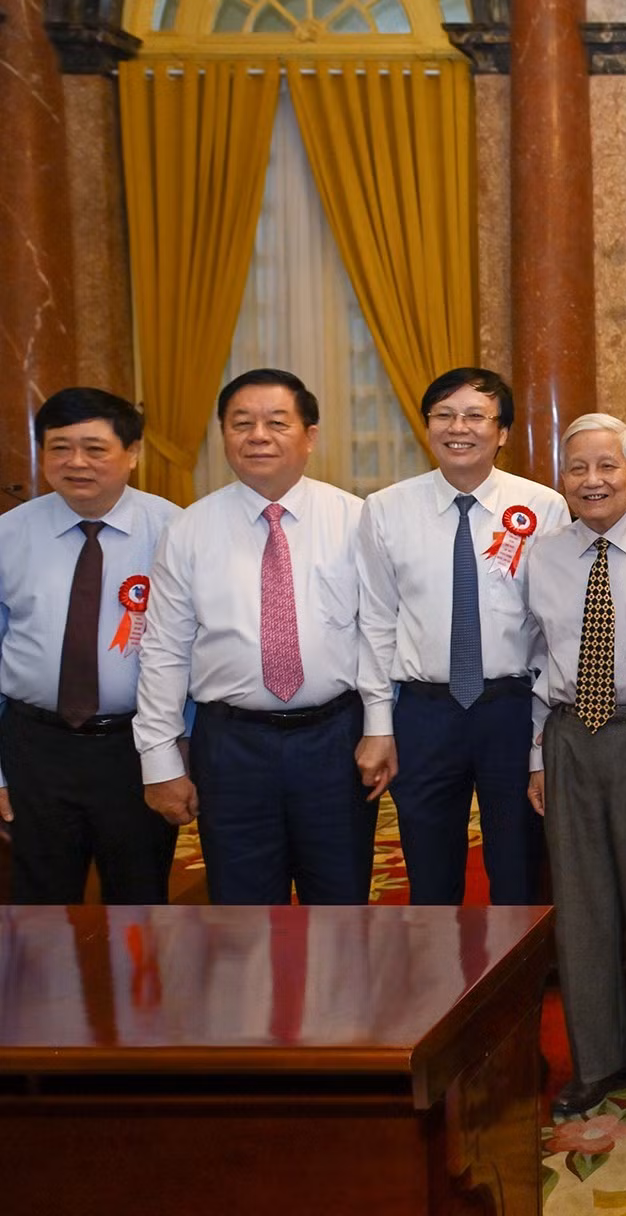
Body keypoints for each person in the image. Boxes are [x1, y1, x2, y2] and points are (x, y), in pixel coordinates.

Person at [134, 369, 374, 904]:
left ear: (310, 436)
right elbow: (164, 651)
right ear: (223, 435)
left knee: (341, 899)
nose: (257, 435)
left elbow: (378, 636)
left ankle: (342, 992)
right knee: (242, 911)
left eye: (276, 422)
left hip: (334, 739)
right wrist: (159, 760)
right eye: (241, 423)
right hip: (231, 746)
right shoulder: (188, 530)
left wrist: (380, 729)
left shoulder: (358, 521)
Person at [525, 414, 626, 1117]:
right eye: (577, 469)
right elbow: (537, 659)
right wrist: (537, 754)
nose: (592, 481)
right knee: (583, 908)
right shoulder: (540, 554)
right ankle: (595, 1062)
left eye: (607, 467)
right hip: (569, 737)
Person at [354, 368, 563, 906]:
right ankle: (439, 989)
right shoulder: (385, 510)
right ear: (427, 426)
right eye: (444, 415)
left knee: (518, 868)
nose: (458, 427)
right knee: (428, 872)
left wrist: (543, 725)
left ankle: (516, 991)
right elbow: (376, 622)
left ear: (503, 432)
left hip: (512, 710)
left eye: (475, 415)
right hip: (425, 714)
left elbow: (552, 626)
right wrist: (379, 724)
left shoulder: (543, 508)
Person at [0, 388, 181, 903]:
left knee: (140, 904)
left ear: (133, 453)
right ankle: (45, 990)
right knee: (40, 908)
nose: (76, 462)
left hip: (136, 747)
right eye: (59, 447)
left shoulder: (175, 531)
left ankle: (138, 990)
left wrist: (180, 755)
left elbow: (193, 654)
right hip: (34, 747)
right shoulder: (8, 535)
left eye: (95, 448)